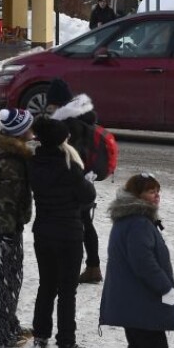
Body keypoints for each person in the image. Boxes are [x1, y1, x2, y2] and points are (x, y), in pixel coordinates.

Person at [99, 173, 174, 348]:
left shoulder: (129, 219)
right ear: (137, 196)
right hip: (141, 302)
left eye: (157, 190)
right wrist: (165, 288)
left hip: (130, 302)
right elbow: (143, 263)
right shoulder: (138, 223)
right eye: (150, 192)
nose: (156, 196)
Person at [28, 116, 95, 348]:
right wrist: (86, 181)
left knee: (46, 286)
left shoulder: (34, 163)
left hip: (43, 232)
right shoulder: (70, 166)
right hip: (69, 234)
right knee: (67, 291)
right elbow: (87, 196)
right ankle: (66, 343)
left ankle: (40, 338)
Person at [0, 108, 35, 348]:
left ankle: (8, 324)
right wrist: (6, 235)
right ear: (19, 131)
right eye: (29, 127)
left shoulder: (9, 153)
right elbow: (6, 202)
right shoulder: (10, 162)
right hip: (5, 227)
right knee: (5, 278)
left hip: (6, 225)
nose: (32, 132)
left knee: (11, 276)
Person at [45, 78, 103, 284]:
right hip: (87, 180)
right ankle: (93, 266)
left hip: (75, 182)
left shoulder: (68, 124)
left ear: (59, 103)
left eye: (51, 104)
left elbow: (69, 156)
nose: (48, 109)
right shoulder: (83, 118)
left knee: (76, 226)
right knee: (86, 223)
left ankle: (75, 268)